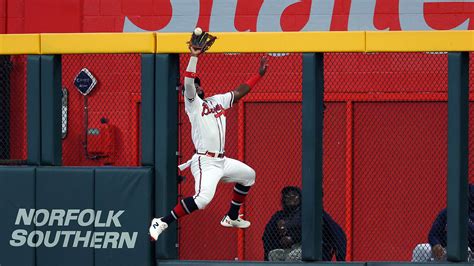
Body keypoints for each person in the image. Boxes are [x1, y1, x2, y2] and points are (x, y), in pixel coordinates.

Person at [148, 42, 268, 241]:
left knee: (249, 176)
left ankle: (231, 216)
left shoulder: (216, 101)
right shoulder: (192, 104)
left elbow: (238, 93)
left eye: (198, 83)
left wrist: (259, 75)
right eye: (193, 85)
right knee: (202, 200)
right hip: (205, 162)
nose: (195, 86)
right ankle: (161, 222)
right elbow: (187, 84)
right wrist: (194, 56)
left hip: (222, 161)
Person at [262, 186, 347, 261]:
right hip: (287, 248)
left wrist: (292, 237)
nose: (290, 197)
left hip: (308, 248)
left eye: (294, 195)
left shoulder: (310, 212)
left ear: (300, 198)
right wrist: (279, 240)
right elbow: (267, 235)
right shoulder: (279, 215)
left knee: (292, 257)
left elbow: (315, 231)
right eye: (287, 195)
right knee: (273, 255)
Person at [412, 184, 474, 262]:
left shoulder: (471, 216)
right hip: (444, 250)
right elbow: (432, 234)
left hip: (468, 252)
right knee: (421, 249)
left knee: (465, 251)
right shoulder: (447, 212)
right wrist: (436, 244)